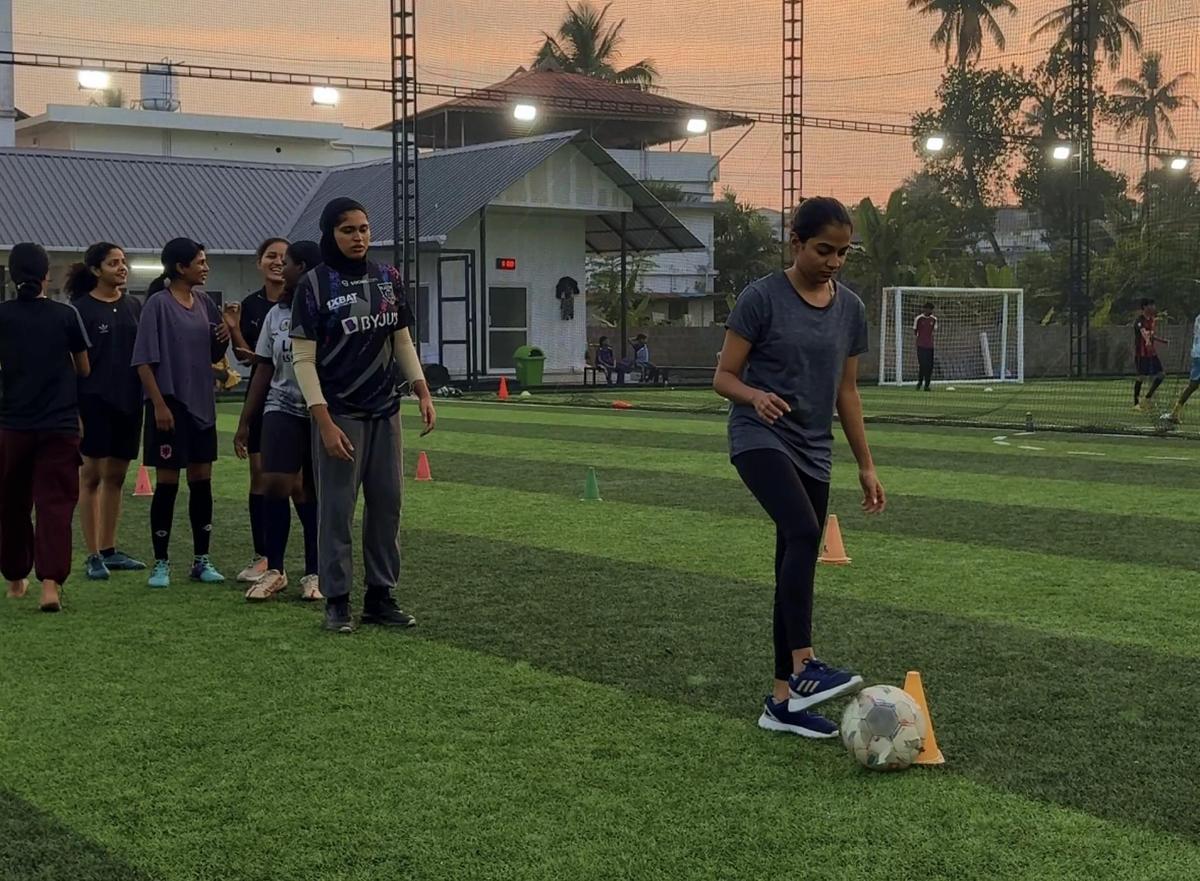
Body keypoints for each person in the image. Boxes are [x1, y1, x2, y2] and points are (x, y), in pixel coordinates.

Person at [713, 197, 886, 740]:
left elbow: (846, 390)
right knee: (804, 531)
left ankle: (781, 703)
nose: (833, 261)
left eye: (843, 253)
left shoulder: (851, 309)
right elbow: (722, 377)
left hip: (814, 446)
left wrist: (866, 464)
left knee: (794, 559)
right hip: (759, 437)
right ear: (796, 243)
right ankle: (806, 665)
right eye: (823, 250)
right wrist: (754, 396)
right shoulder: (761, 298)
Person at [291, 197, 436, 633]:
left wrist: (422, 389)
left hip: (384, 409)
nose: (359, 238)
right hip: (340, 414)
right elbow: (303, 360)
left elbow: (402, 340)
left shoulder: (387, 277)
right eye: (348, 230)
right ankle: (337, 600)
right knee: (336, 509)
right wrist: (324, 421)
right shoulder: (314, 285)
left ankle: (380, 596)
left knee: (387, 506)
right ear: (330, 234)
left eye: (365, 229)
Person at [131, 238, 231, 588]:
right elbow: (143, 361)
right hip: (170, 405)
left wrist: (226, 333)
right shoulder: (157, 305)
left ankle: (201, 560)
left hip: (201, 404)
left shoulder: (204, 302)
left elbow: (214, 350)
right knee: (168, 483)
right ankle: (161, 563)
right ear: (179, 267)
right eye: (200, 262)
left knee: (202, 481)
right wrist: (158, 404)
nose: (205, 267)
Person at [0, 243, 91, 612]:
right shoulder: (65, 316)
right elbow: (84, 368)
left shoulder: (2, 316)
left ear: (11, 275)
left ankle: (15, 578)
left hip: (11, 423)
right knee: (54, 504)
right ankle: (50, 585)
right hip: (59, 423)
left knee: (11, 503)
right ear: (45, 276)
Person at [234, 240, 323, 603]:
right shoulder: (277, 314)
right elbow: (264, 367)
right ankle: (276, 569)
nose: (280, 269)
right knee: (275, 484)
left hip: (321, 412)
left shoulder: (329, 311)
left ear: (302, 268)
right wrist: (245, 421)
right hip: (280, 406)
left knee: (309, 491)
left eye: (287, 263)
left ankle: (316, 572)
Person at [66, 243, 148, 580]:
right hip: (92, 403)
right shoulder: (79, 310)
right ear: (96, 270)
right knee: (91, 477)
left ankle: (110, 549)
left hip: (128, 403)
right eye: (113, 263)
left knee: (116, 477)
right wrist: (75, 412)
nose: (122, 268)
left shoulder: (134, 306)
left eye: (123, 262)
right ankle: (93, 554)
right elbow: (70, 365)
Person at [224, 237, 289, 585]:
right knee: (260, 476)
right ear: (259, 263)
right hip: (263, 398)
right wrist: (234, 328)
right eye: (271, 256)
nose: (278, 262)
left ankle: (313, 563)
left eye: (284, 256)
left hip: (300, 398)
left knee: (302, 483)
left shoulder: (305, 301)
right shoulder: (251, 305)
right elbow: (248, 358)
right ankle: (263, 556)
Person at [1133, 298, 1168, 413]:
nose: (1153, 307)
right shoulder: (1139, 320)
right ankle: (1136, 403)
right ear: (1145, 307)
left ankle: (1147, 398)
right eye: (1151, 305)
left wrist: (1161, 341)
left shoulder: (1152, 320)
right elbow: (1143, 332)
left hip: (1151, 353)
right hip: (1141, 354)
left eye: (1154, 305)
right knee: (1141, 377)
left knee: (1161, 374)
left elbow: (1150, 335)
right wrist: (1147, 341)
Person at [1170, 310, 1200, 423]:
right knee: (1193, 385)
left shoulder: (1198, 317)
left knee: (1193, 385)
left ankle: (1175, 413)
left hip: (1196, 354)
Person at [913, 301, 937, 391]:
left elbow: (934, 331)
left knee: (929, 366)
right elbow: (915, 331)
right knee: (922, 365)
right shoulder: (919, 319)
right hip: (921, 345)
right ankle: (919, 382)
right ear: (925, 309)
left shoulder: (934, 319)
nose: (930, 311)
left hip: (930, 346)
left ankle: (927, 385)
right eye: (928, 309)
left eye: (931, 309)